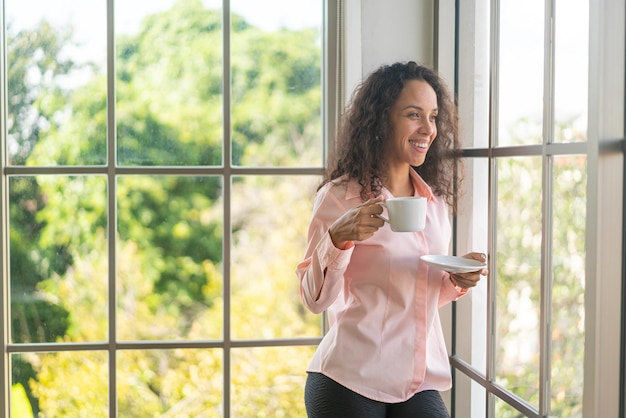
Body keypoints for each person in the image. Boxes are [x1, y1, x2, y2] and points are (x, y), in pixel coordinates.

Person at [295, 61, 488, 418]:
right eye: (414, 115)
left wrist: (456, 279)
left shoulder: (435, 203)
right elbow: (314, 299)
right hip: (348, 379)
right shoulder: (340, 197)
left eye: (433, 116)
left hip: (417, 382)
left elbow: (415, 296)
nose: (427, 129)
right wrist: (337, 239)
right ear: (382, 119)